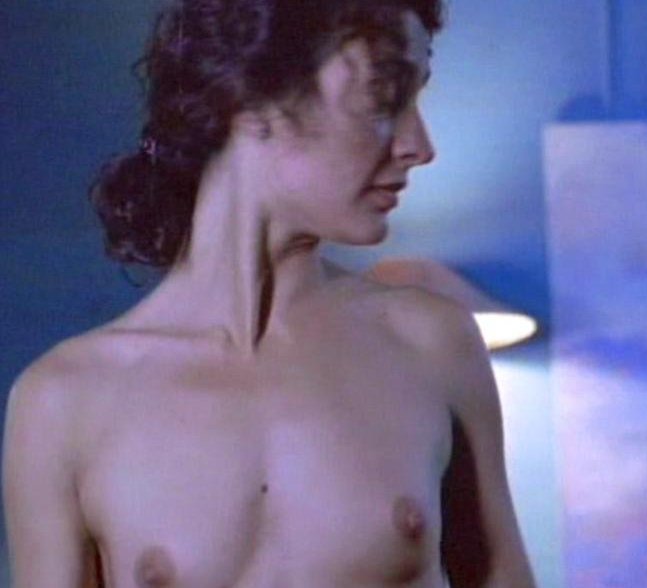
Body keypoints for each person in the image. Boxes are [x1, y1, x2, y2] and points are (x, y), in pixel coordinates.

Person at [2, 0, 536, 586]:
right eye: (385, 94)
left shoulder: (429, 344)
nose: (419, 144)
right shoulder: (65, 401)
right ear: (252, 94)